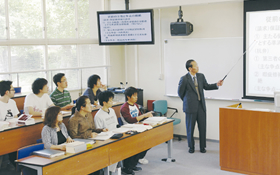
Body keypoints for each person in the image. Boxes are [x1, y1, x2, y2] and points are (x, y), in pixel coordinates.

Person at [178, 59, 223, 154]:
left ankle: (203, 147)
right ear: (190, 68)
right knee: (190, 128)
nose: (197, 67)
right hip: (190, 107)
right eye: (195, 65)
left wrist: (216, 84)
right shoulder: (184, 79)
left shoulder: (201, 76)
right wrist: (188, 102)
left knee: (202, 127)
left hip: (201, 106)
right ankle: (191, 147)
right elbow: (180, 93)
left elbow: (206, 86)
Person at [120, 87, 153, 175]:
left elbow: (139, 117)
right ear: (128, 97)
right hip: (128, 130)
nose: (136, 97)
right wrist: (143, 116)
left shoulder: (136, 105)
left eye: (136, 95)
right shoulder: (124, 107)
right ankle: (127, 167)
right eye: (134, 96)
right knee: (136, 145)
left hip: (138, 128)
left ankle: (134, 163)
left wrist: (147, 116)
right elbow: (130, 120)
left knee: (149, 142)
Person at [94, 91, 120, 175]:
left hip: (115, 136)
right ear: (104, 102)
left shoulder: (112, 110)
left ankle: (113, 170)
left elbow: (116, 125)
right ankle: (110, 171)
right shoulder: (98, 116)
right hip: (106, 139)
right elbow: (99, 132)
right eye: (110, 100)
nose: (112, 102)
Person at [0, 80, 19, 171]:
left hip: (13, 131)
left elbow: (15, 117)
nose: (14, 91)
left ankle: (14, 167)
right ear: (6, 92)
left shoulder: (12, 102)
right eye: (12, 89)